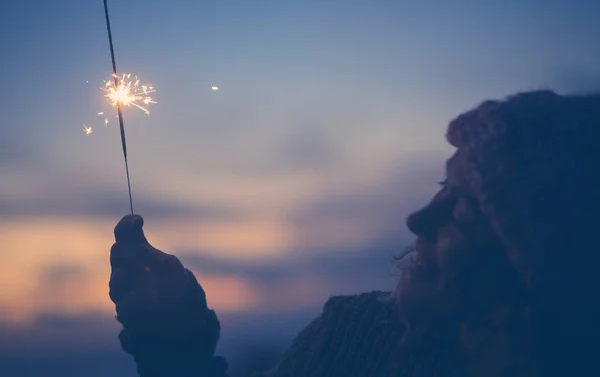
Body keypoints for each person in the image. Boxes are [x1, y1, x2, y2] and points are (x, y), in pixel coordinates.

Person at [108, 90, 600, 377]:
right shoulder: (350, 338)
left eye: (464, 212)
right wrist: (176, 347)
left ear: (537, 267)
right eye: (441, 187)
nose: (419, 220)